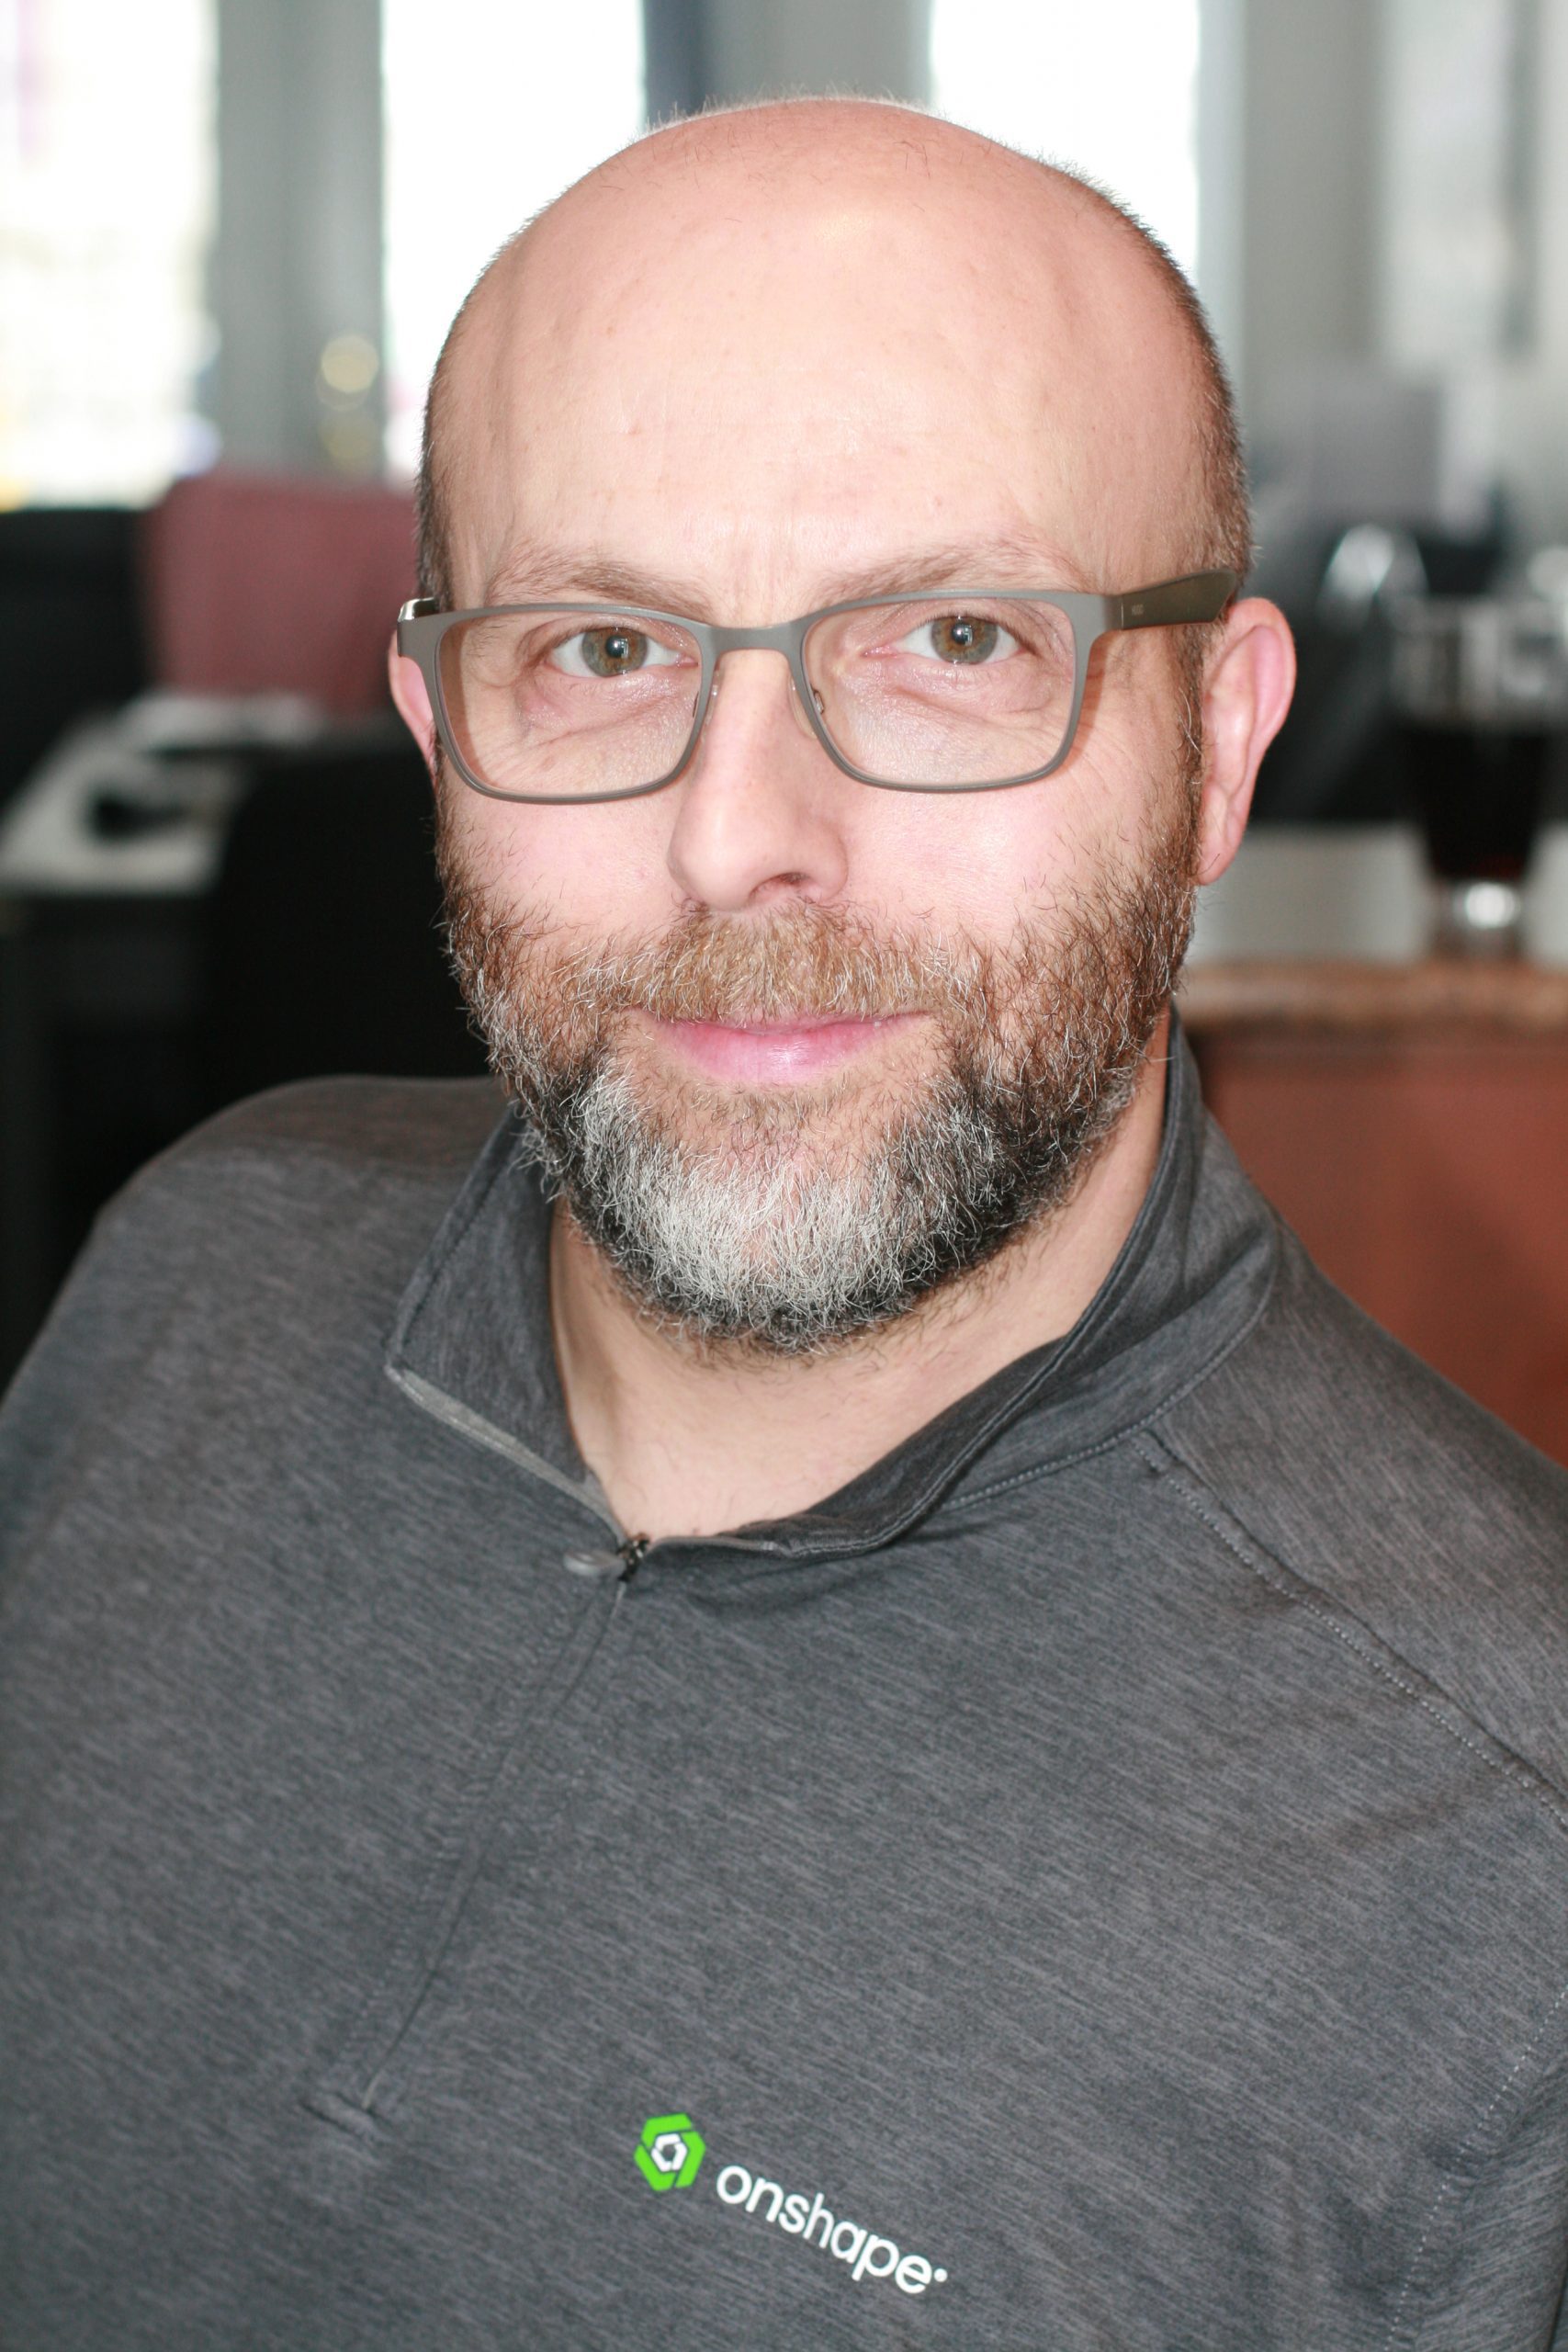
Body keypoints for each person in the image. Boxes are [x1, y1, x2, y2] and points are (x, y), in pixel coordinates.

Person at [5, 97, 1568, 2352]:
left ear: (1215, 742)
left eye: (952, 635)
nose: (742, 838)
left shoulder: (1501, 1866)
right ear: (438, 730)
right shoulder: (192, 1266)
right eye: (599, 650)